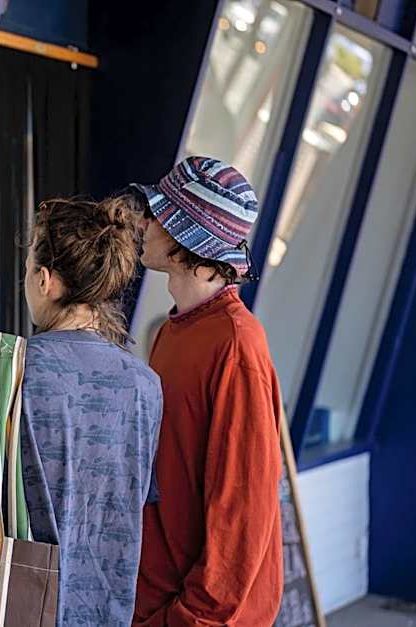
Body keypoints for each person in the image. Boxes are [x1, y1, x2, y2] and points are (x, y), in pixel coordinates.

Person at [0, 196, 163, 626]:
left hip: (5, 605)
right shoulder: (144, 386)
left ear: (45, 280)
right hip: (104, 612)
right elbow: (132, 497)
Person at [126, 156, 284, 626]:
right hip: (155, 602)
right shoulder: (173, 331)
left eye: (157, 214)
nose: (144, 223)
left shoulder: (236, 343)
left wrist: (193, 615)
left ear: (185, 235)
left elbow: (244, 506)